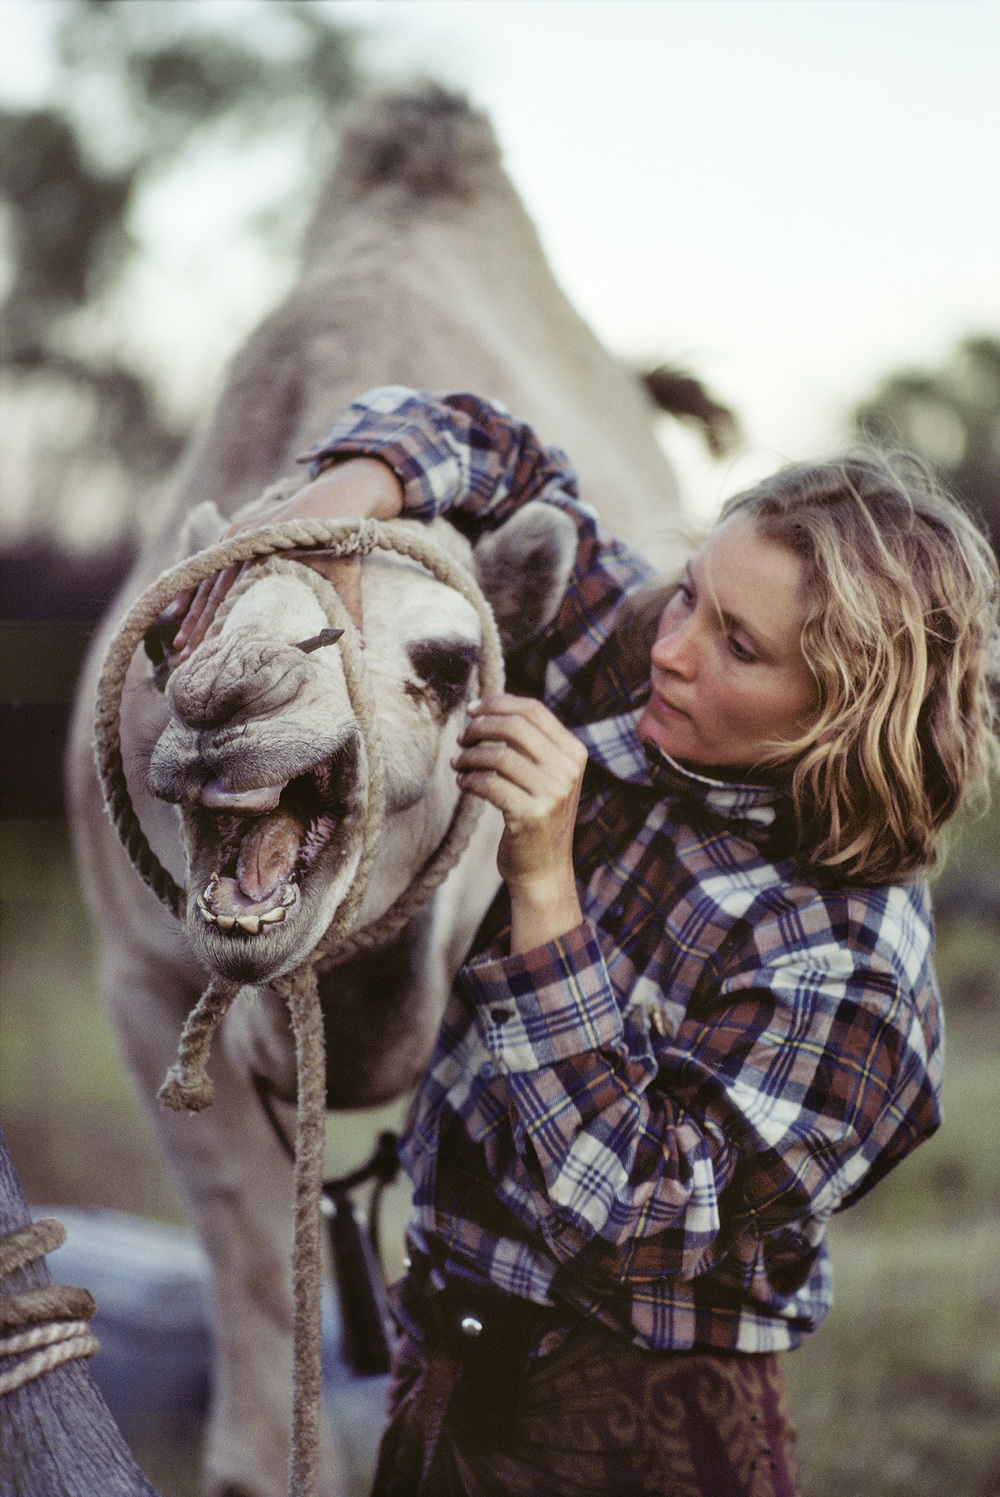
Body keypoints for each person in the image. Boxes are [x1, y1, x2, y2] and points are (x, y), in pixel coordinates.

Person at [168, 389, 1000, 1496]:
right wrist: (329, 512)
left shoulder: (854, 974)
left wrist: (545, 886)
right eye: (692, 592)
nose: (672, 648)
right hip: (441, 1369)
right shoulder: (633, 650)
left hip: (636, 1446)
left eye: (737, 646)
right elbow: (492, 448)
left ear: (842, 713)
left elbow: (632, 1219)